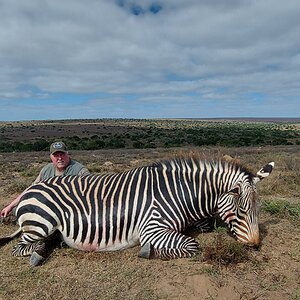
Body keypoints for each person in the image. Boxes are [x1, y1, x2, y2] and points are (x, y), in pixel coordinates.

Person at [0, 141, 90, 218]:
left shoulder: (80, 171)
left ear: (67, 154)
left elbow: (89, 197)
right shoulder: (46, 170)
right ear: (51, 157)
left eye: (62, 154)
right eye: (56, 155)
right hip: (49, 206)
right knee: (19, 209)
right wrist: (10, 206)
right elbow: (31, 189)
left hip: (71, 209)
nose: (59, 158)